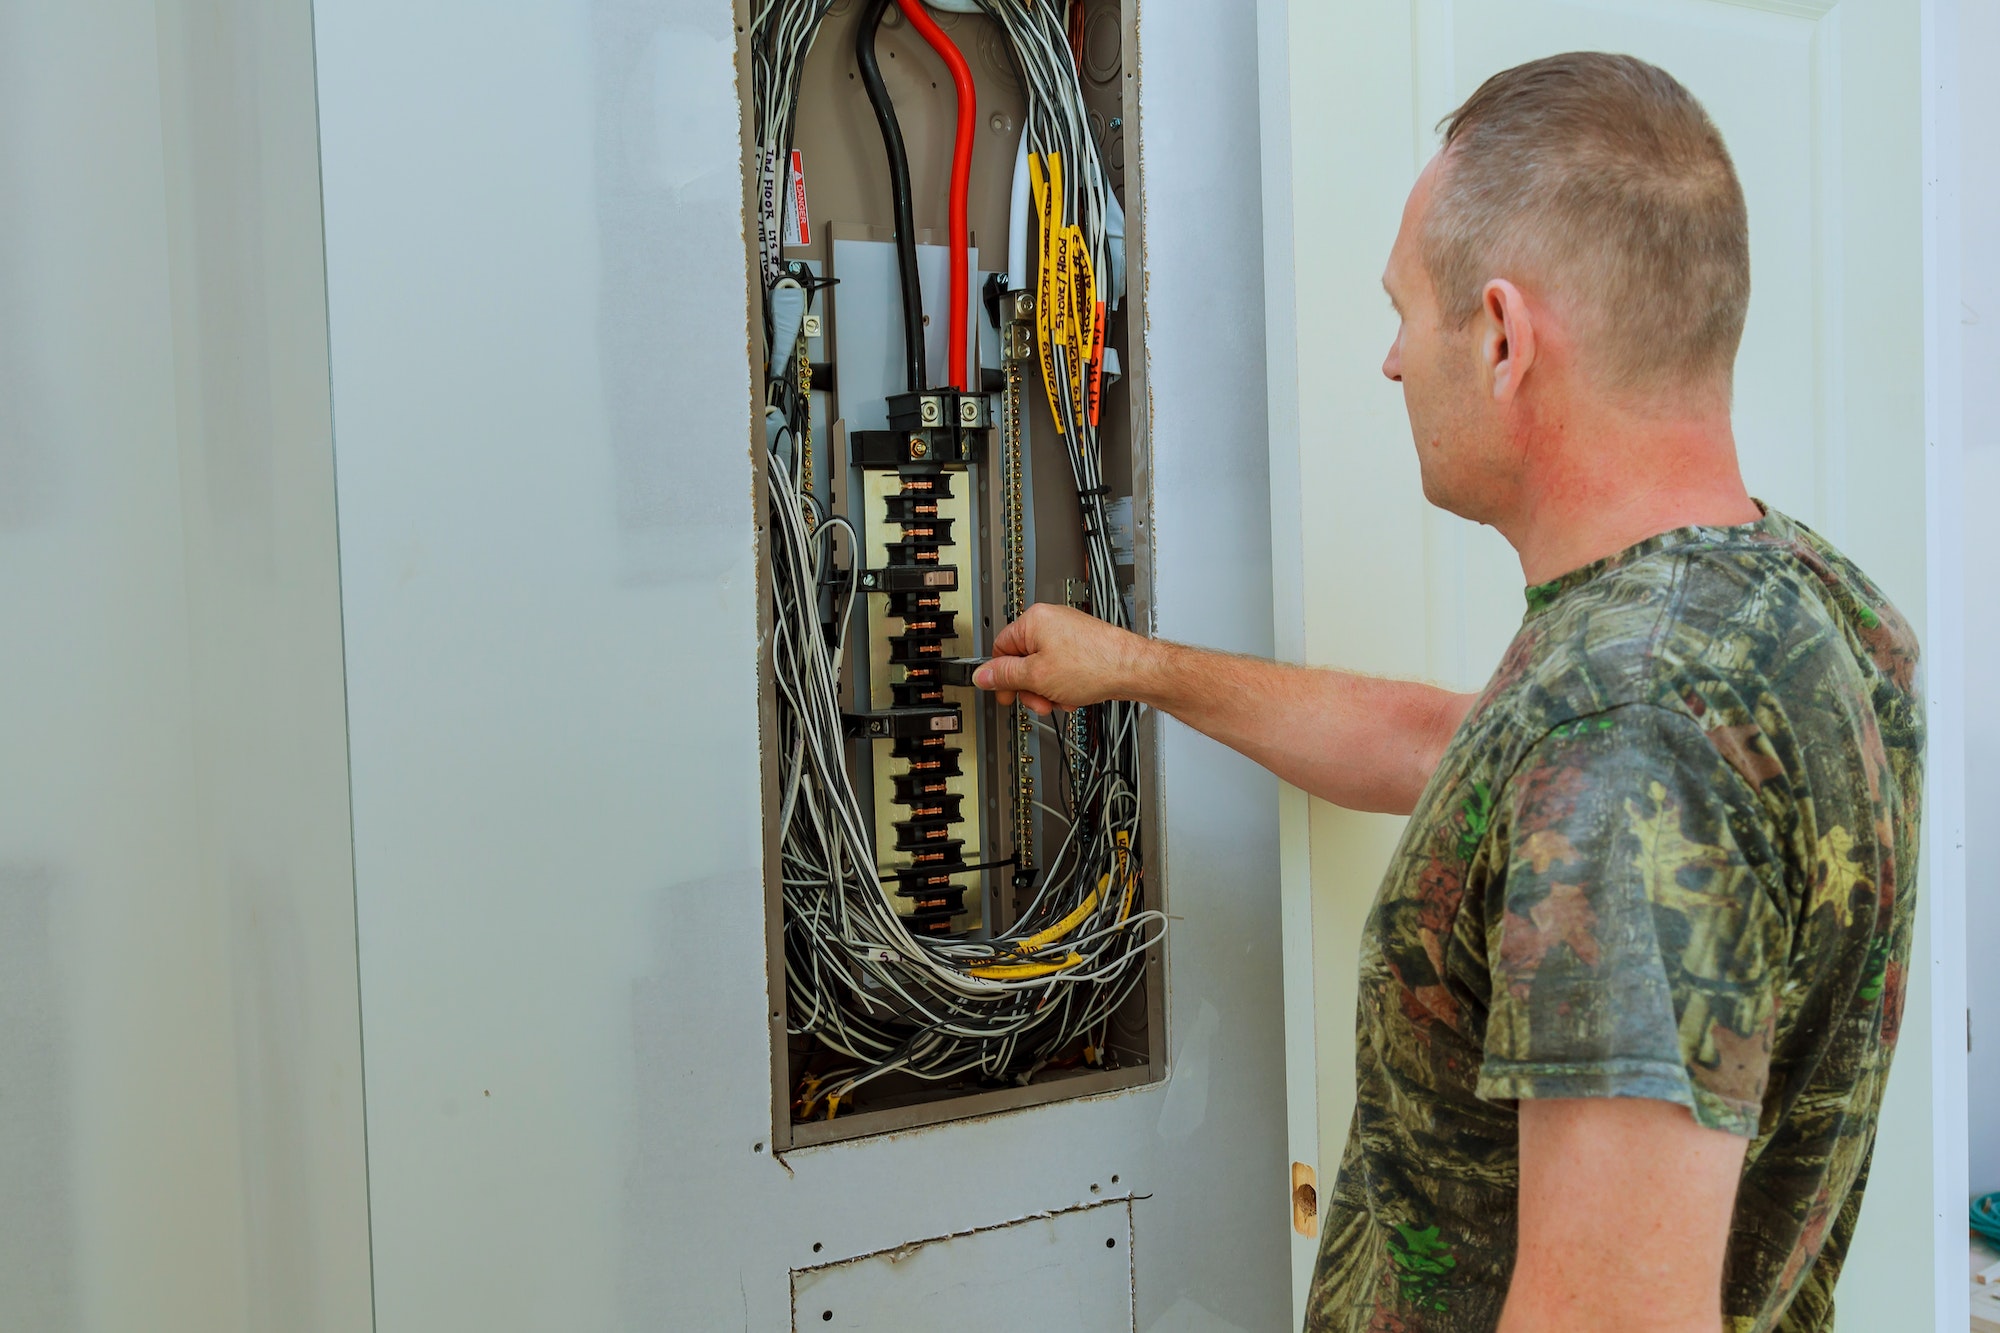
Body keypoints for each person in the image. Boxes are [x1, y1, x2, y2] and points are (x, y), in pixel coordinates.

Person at [974, 52, 1923, 1333]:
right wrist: (1137, 668)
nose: (1386, 362)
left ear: (1499, 337)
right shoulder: (1802, 614)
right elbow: (1453, 751)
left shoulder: (1623, 732)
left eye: (1403, 313)